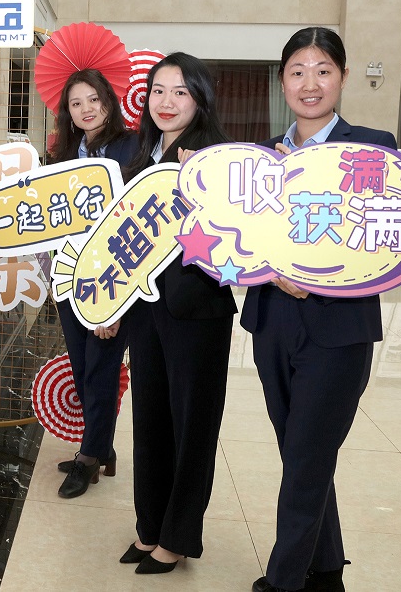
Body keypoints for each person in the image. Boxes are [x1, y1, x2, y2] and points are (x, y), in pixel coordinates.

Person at [243, 27, 395, 592]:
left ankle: (285, 580)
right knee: (300, 451)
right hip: (272, 322)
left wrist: (318, 276)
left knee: (307, 455)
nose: (311, 83)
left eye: (323, 70)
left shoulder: (372, 147)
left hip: (339, 327)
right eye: (298, 72)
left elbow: (383, 238)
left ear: (343, 77)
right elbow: (241, 239)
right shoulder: (261, 157)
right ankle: (327, 569)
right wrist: (262, 266)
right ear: (282, 81)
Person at [118, 52, 237, 575]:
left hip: (198, 309)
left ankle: (178, 536)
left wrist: (205, 189)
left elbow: (239, 234)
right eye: (158, 91)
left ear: (200, 99)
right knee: (150, 419)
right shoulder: (142, 156)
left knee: (193, 427)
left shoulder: (218, 158)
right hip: (146, 309)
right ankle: (149, 527)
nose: (167, 102)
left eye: (181, 92)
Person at [47, 68, 139, 499]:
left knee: (102, 369)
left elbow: (135, 218)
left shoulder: (133, 147)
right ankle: (102, 448)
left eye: (94, 99)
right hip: (71, 276)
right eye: (76, 103)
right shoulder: (64, 154)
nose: (86, 109)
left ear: (109, 101)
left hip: (112, 276)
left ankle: (88, 458)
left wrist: (115, 300)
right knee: (83, 368)